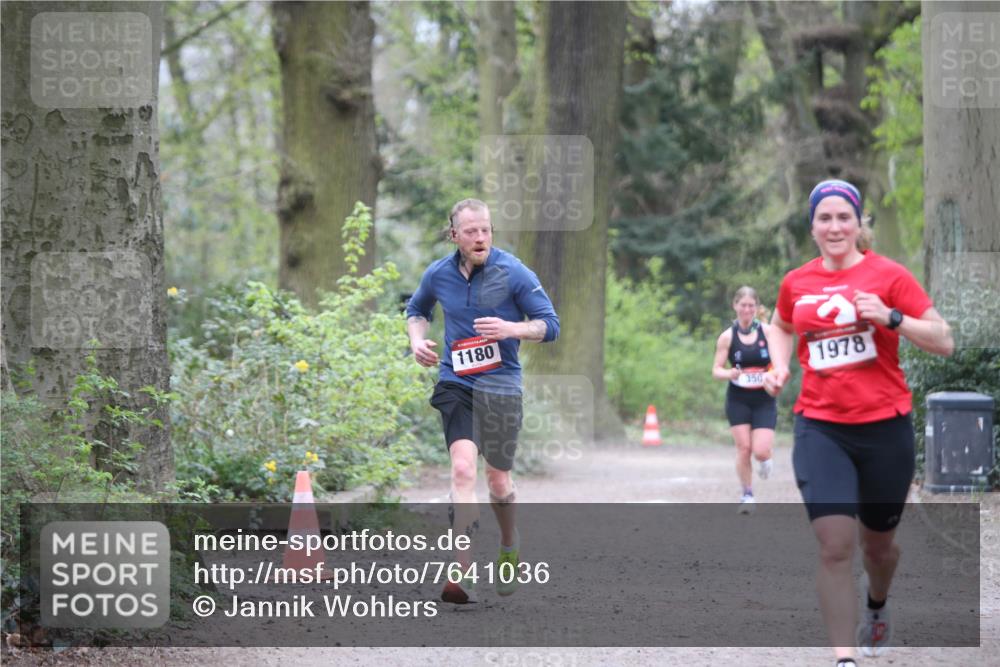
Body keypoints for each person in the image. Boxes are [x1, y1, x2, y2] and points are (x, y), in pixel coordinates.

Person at [763, 180, 954, 666]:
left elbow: (944, 339)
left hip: (884, 429)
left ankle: (877, 603)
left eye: (843, 217)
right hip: (820, 427)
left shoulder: (888, 275)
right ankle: (844, 658)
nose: (834, 227)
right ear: (812, 227)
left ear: (858, 223)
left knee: (878, 549)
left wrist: (894, 318)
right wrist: (780, 366)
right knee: (835, 545)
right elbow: (782, 325)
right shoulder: (796, 282)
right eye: (824, 219)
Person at [406, 198, 560, 604]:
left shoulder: (514, 272)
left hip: (502, 386)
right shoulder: (438, 274)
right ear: (454, 234)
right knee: (461, 470)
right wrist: (417, 341)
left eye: (486, 230)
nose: (480, 237)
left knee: (497, 479)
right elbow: (417, 308)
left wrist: (510, 328)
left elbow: (551, 325)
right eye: (471, 231)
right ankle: (464, 566)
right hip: (457, 381)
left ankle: (509, 541)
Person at [712, 286, 776, 514]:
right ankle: (747, 494)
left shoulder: (768, 332)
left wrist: (773, 374)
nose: (747, 309)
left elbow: (780, 362)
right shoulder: (727, 337)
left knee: (760, 450)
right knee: (743, 448)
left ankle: (766, 459)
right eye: (743, 305)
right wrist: (729, 373)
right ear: (735, 306)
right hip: (738, 398)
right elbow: (716, 370)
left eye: (751, 306)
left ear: (757, 308)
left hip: (764, 398)